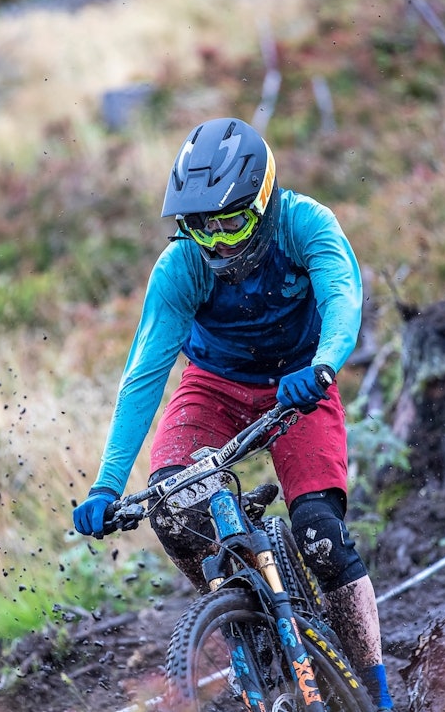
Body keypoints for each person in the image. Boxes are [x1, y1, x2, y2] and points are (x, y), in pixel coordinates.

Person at [73, 117, 395, 711]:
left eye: (233, 222)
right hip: (213, 388)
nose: (219, 243)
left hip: (301, 384)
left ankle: (375, 691)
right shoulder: (180, 267)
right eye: (201, 228)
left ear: (264, 201)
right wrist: (106, 483)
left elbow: (343, 298)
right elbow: (145, 373)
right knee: (173, 511)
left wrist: (323, 365)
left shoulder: (306, 225)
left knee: (321, 537)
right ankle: (244, 614)